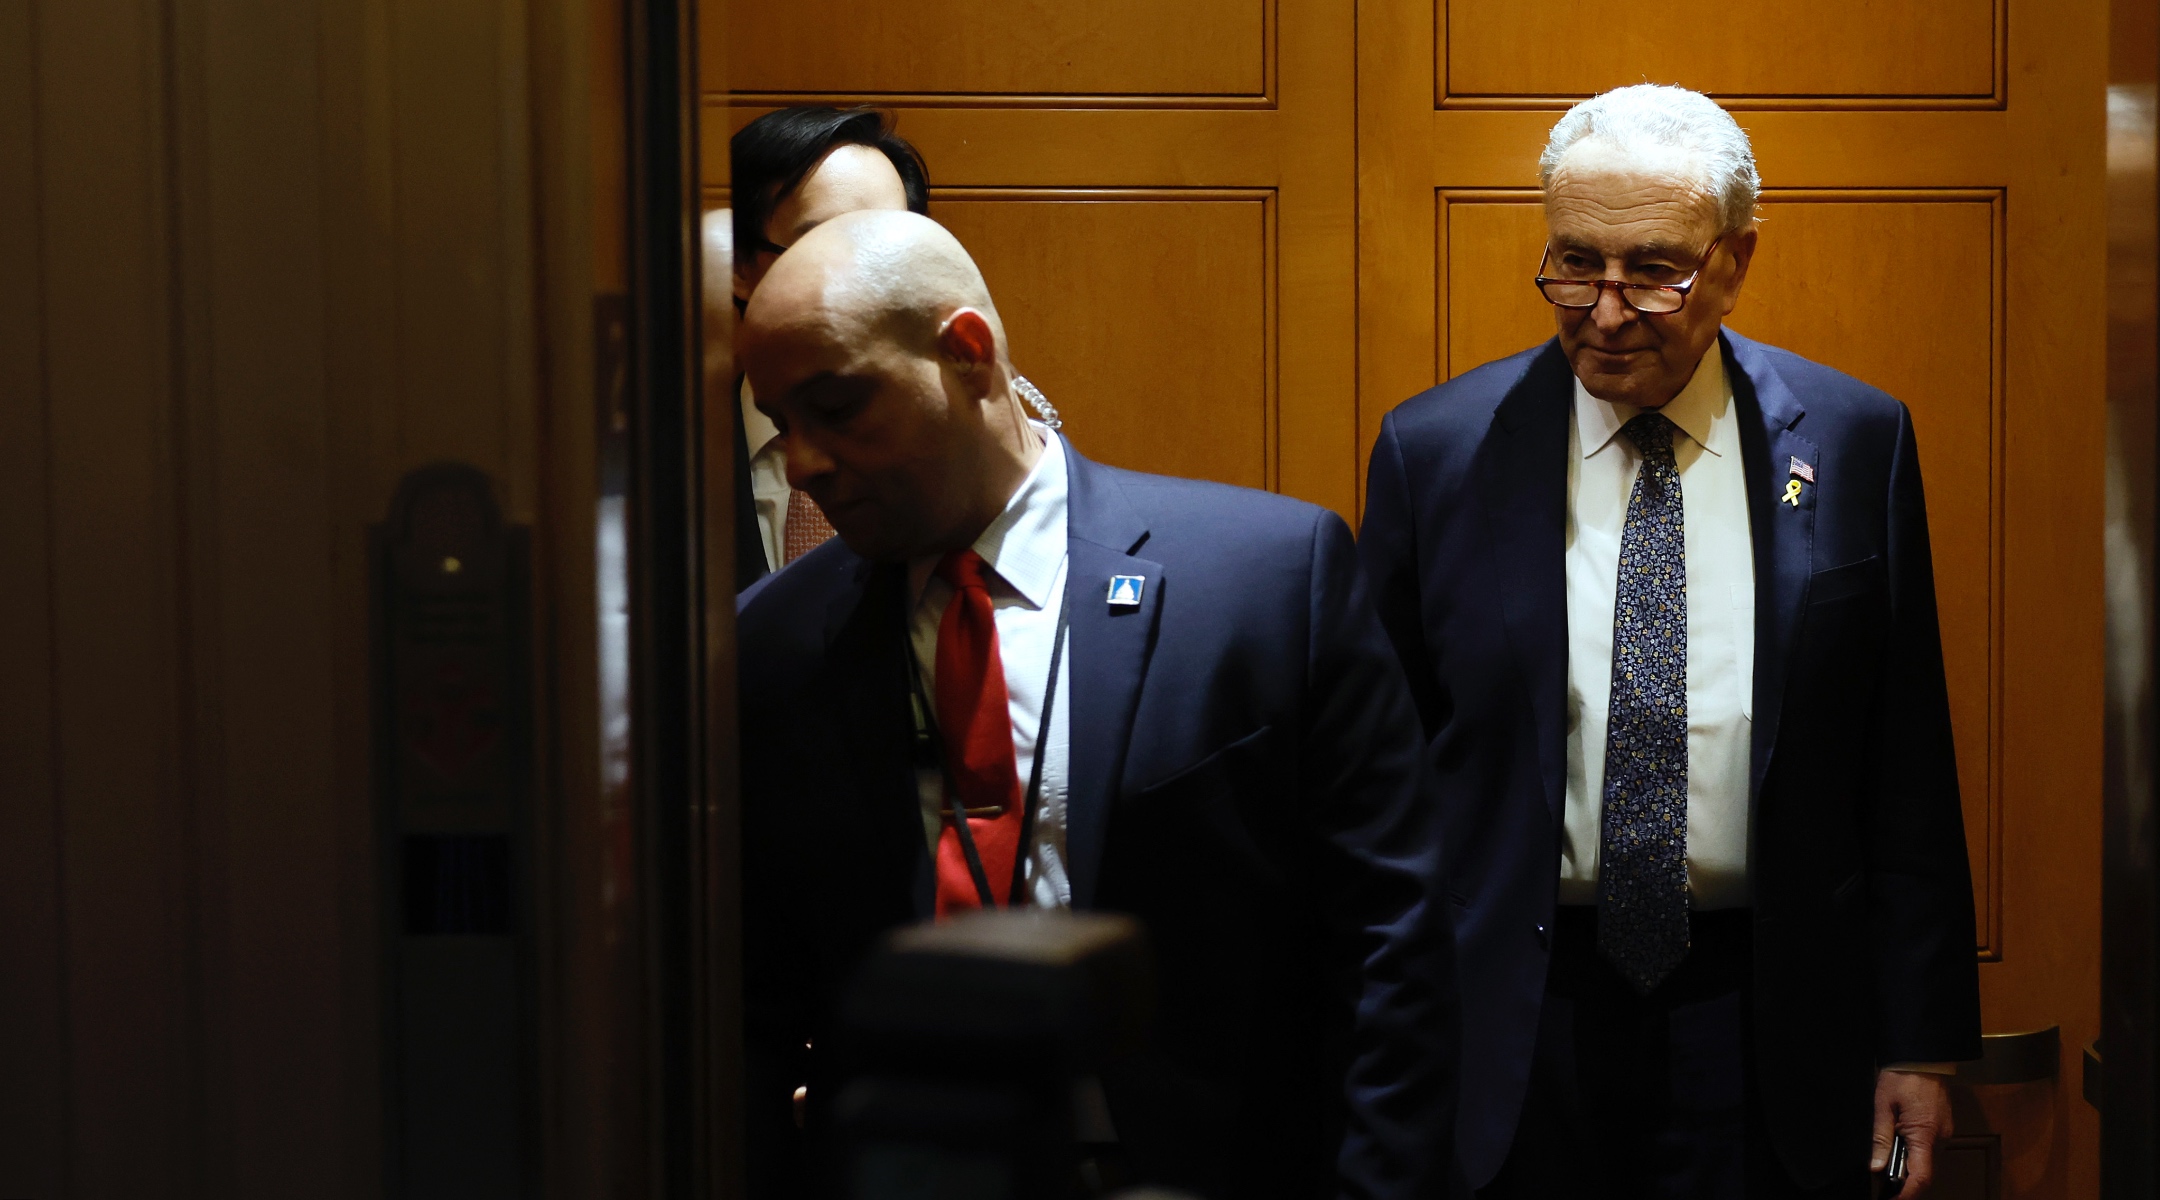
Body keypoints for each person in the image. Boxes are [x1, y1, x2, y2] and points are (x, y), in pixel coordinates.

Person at [736, 210, 1457, 1198]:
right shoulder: (770, 642)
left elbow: (1394, 947)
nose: (805, 461)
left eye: (838, 406)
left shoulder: (1268, 581)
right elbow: (756, 1003)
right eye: (783, 424)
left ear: (968, 352)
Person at [1357, 85, 1981, 1198]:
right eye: (1573, 262)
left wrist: (1919, 1040)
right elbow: (1377, 789)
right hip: (1514, 1013)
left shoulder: (1855, 441)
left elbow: (1907, 769)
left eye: (1652, 268)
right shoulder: (1433, 454)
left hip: (1766, 1013)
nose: (1604, 310)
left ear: (1734, 260)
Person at [725, 106, 930, 588]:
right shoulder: (668, 456)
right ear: (739, 265)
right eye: (826, 241)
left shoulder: (949, 446)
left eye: (893, 242)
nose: (870, 273)